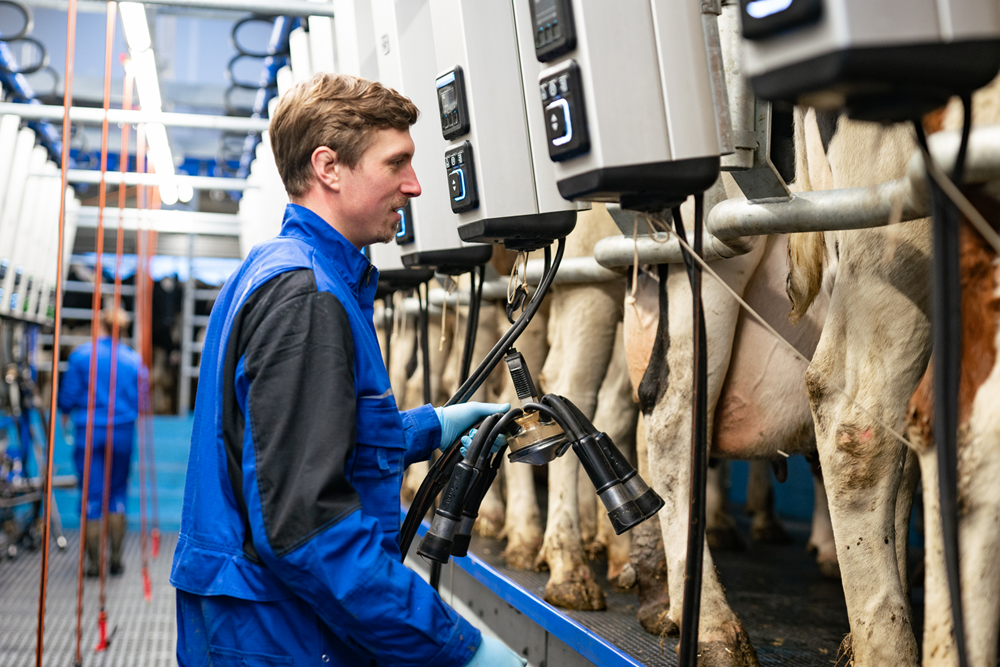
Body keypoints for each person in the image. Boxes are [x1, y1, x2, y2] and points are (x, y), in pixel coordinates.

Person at [170, 72, 527, 667]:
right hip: (280, 637)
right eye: (397, 164)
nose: (414, 186)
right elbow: (308, 528)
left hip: (261, 625)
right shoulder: (306, 295)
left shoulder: (284, 269)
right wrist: (459, 650)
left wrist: (429, 428)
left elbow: (293, 443)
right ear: (329, 167)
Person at [59, 306, 145, 577]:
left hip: (89, 432)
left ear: (102, 325)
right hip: (122, 432)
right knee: (117, 494)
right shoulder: (134, 360)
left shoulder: (82, 355)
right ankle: (116, 560)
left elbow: (68, 396)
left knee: (92, 497)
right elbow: (142, 400)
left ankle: (94, 564)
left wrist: (65, 413)